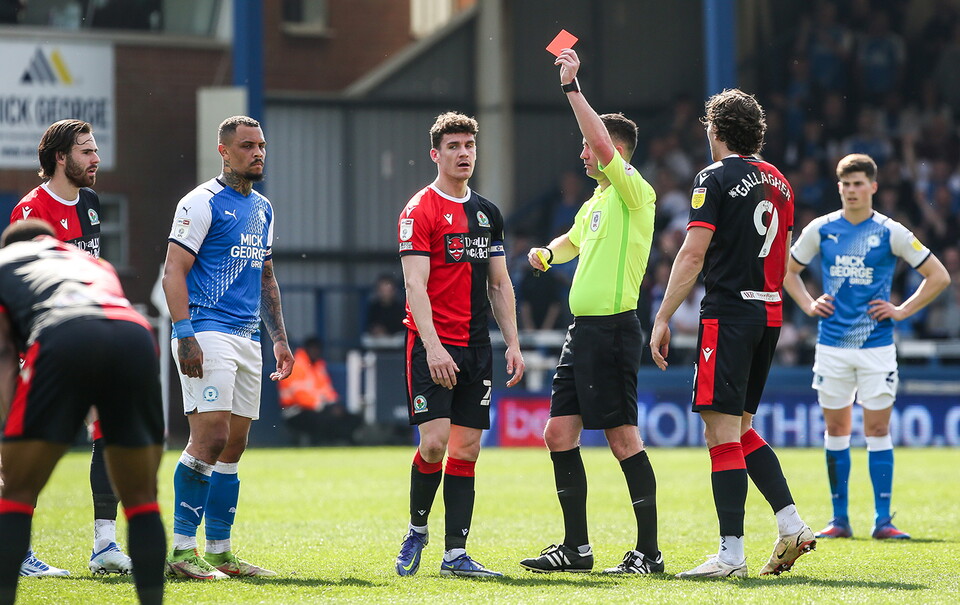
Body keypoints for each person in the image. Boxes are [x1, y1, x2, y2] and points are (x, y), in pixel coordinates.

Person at [650, 88, 816, 579]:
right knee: (740, 429)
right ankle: (792, 526)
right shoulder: (781, 183)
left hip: (728, 314)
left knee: (719, 433)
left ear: (715, 131)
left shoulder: (714, 177)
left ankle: (730, 554)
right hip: (768, 315)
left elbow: (692, 254)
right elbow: (782, 259)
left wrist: (662, 316)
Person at [519, 48, 661, 575]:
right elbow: (574, 240)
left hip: (614, 331)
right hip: (582, 333)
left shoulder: (634, 193)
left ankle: (649, 553)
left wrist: (571, 88)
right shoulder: (597, 202)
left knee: (623, 439)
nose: (582, 155)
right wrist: (548, 254)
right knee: (558, 434)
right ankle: (577, 550)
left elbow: (598, 141)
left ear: (614, 152)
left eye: (590, 147)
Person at [783, 153, 950, 540]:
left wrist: (902, 310)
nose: (852, 190)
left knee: (878, 429)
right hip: (832, 345)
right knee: (836, 429)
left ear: (873, 186)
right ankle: (839, 520)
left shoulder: (890, 231)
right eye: (846, 184)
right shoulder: (821, 230)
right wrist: (808, 304)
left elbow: (938, 275)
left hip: (876, 346)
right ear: (838, 187)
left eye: (859, 183)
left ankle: (882, 521)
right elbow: (787, 272)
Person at [0, 219, 166, 605]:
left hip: (62, 334)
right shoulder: (91, 261)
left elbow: (5, 353)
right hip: (134, 336)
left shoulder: (6, 262)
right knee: (142, 497)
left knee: (18, 492)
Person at [161, 115, 295, 580]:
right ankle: (181, 551)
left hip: (247, 337)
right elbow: (172, 271)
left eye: (261, 145)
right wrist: (184, 334)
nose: (257, 153)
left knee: (235, 445)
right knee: (211, 437)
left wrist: (279, 338)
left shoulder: (263, 208)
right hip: (206, 329)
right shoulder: (201, 203)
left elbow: (266, 276)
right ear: (224, 151)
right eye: (246, 146)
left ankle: (219, 551)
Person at [393, 111, 525, 578]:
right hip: (434, 345)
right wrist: (432, 347)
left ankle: (455, 555)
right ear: (436, 154)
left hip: (476, 347)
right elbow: (415, 286)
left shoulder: (487, 213)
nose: (463, 153)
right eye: (453, 146)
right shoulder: (419, 210)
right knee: (434, 444)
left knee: (466, 450)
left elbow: (499, 283)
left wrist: (512, 341)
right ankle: (417, 529)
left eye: (469, 145)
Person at [8, 119, 131, 576]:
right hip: (45, 342)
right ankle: (16, 552)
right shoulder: (31, 210)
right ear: (60, 158)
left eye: (95, 149)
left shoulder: (93, 204)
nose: (95, 158)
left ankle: (104, 546)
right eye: (85, 151)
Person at [278, 336, 363, 445]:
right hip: (295, 411)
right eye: (313, 349)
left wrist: (334, 405)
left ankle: (343, 446)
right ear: (306, 349)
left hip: (318, 408)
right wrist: (324, 407)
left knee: (351, 418)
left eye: (318, 349)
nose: (316, 352)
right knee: (323, 420)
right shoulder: (295, 366)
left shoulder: (318, 366)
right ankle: (319, 446)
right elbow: (300, 397)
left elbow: (327, 390)